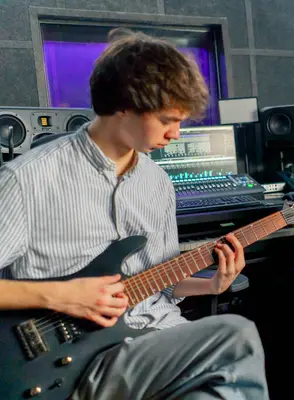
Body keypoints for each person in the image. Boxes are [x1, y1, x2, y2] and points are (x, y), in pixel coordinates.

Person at [0, 29, 269, 399]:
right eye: (166, 120)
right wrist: (61, 296)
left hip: (156, 340)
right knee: (236, 336)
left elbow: (159, 279)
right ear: (122, 104)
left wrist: (211, 285)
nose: (176, 134)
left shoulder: (157, 181)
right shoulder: (25, 180)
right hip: (71, 362)